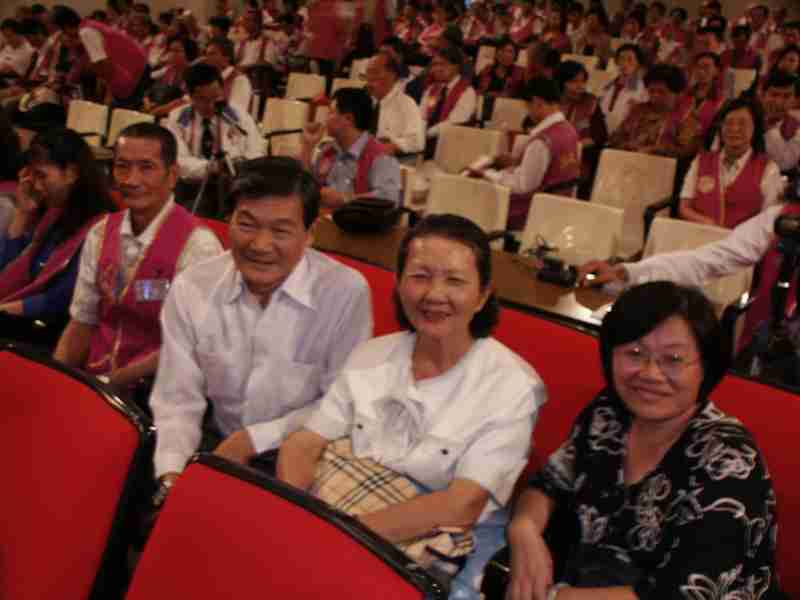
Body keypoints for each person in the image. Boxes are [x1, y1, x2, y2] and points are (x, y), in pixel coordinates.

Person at [279, 213, 545, 600]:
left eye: (454, 281)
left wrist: (341, 536)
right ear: (400, 283)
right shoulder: (372, 354)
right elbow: (305, 441)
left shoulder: (513, 386)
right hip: (339, 519)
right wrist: (294, 514)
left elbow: (461, 505)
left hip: (439, 555)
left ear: (482, 295)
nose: (434, 294)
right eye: (420, 276)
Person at [506, 280, 782, 600]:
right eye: (635, 353)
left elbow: (680, 593)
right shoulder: (610, 413)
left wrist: (554, 597)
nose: (650, 373)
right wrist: (524, 529)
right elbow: (550, 483)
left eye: (673, 359)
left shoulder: (729, 458)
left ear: (706, 367)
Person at [150, 157, 373, 502]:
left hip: (307, 452)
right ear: (229, 220)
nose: (260, 245)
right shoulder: (193, 286)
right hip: (215, 443)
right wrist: (172, 477)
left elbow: (340, 403)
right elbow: (177, 398)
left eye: (280, 231)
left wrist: (254, 439)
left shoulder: (344, 292)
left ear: (310, 234)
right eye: (247, 224)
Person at [53, 123, 222, 392]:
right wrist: (55, 379)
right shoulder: (101, 232)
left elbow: (188, 345)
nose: (131, 180)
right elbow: (83, 320)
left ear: (172, 175)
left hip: (157, 392)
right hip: (95, 380)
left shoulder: (199, 247)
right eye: (122, 167)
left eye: (146, 167)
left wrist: (110, 384)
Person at [0, 128, 113, 346]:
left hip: (51, 332)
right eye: (32, 175)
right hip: (18, 321)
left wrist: (3, 310)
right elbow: (7, 271)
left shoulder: (100, 228)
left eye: (42, 175)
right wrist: (22, 213)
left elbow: (61, 299)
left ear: (71, 173)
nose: (35, 185)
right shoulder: (50, 214)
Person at [479, 78, 580, 230]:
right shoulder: (569, 130)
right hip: (561, 206)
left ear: (538, 103)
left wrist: (488, 175)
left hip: (535, 212)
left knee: (476, 201)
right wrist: (517, 163)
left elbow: (523, 186)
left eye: (528, 107)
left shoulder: (542, 141)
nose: (528, 112)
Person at [679, 97, 782, 228]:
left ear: (755, 128)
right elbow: (684, 207)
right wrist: (707, 224)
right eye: (728, 123)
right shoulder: (701, 160)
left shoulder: (769, 169)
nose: (734, 128)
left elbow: (768, 219)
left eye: (742, 123)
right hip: (701, 235)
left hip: (743, 239)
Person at [301, 87, 401, 208]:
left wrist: (345, 199)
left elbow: (389, 198)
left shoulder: (381, 155)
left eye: (331, 112)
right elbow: (307, 188)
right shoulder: (329, 149)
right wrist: (307, 146)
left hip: (357, 219)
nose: (326, 119)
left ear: (348, 119)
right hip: (323, 217)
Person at [166, 63, 264, 183]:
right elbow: (178, 160)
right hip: (193, 183)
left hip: (235, 181)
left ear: (222, 91)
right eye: (203, 99)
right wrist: (211, 168)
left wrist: (239, 165)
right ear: (190, 96)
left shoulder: (238, 115)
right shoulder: (178, 118)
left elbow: (255, 151)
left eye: (216, 97)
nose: (211, 105)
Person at [51, 5, 148, 107]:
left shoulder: (86, 32)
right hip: (135, 68)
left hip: (135, 70)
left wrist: (109, 95)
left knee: (122, 111)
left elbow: (104, 65)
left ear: (66, 27)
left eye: (61, 31)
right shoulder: (89, 26)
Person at [608, 63, 701, 159]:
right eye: (651, 91)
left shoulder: (687, 117)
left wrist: (659, 151)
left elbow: (687, 151)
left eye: (662, 92)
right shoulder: (638, 110)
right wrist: (625, 146)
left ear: (677, 93)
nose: (655, 96)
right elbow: (616, 137)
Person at [365, 51, 425, 157]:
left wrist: (390, 146)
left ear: (392, 75)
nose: (369, 78)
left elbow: (417, 142)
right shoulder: (362, 99)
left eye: (374, 72)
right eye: (367, 73)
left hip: (389, 160)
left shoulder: (406, 104)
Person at [420, 46, 478, 155]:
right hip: (425, 141)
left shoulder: (467, 91)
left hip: (451, 145)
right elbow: (422, 116)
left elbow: (454, 123)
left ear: (456, 66)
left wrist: (426, 133)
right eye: (434, 65)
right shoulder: (432, 89)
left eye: (442, 64)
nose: (437, 69)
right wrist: (419, 131)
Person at [599, 44, 647, 135]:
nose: (624, 63)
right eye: (621, 59)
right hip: (601, 131)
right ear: (616, 62)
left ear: (638, 63)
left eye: (630, 59)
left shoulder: (643, 89)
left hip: (623, 134)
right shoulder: (607, 85)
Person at [677, 52, 726, 140]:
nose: (701, 71)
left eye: (706, 67)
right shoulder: (684, 95)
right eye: (698, 67)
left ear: (717, 71)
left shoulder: (722, 100)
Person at [761, 70, 800, 172]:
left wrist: (770, 128)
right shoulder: (747, 119)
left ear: (795, 101)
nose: (778, 102)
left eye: (786, 96)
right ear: (763, 95)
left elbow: (786, 164)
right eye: (774, 94)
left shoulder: (797, 128)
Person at [203, 36, 254, 114]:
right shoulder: (208, 79)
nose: (207, 58)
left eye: (212, 54)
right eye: (206, 54)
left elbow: (237, 113)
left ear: (227, 57)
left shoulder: (240, 80)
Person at [0, 19, 35, 86]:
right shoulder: (7, 47)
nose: (7, 40)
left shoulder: (29, 50)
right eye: (5, 36)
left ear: (19, 34)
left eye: (9, 36)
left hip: (12, 83)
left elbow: (17, 73)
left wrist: (5, 69)